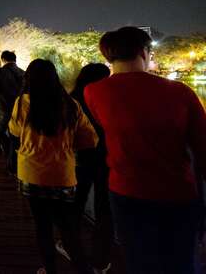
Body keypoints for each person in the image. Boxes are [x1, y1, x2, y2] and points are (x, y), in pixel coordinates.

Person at [84, 27, 206, 274]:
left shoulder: (93, 92)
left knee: (138, 260)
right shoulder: (181, 93)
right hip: (176, 193)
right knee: (181, 261)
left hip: (125, 191)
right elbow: (203, 150)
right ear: (144, 51)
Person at [10, 59, 98, 274]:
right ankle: (82, 268)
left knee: (42, 226)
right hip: (63, 175)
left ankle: (50, 270)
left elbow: (14, 130)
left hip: (32, 173)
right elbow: (90, 140)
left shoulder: (23, 102)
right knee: (68, 228)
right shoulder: (70, 104)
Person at [56, 63, 112, 273]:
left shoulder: (72, 100)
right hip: (107, 159)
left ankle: (70, 246)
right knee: (104, 209)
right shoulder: (109, 100)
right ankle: (102, 259)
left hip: (79, 159)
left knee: (74, 206)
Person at [0, 50, 25, 172]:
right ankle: (14, 161)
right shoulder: (23, 73)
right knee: (15, 136)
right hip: (20, 110)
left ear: (3, 59)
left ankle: (9, 157)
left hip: (3, 109)